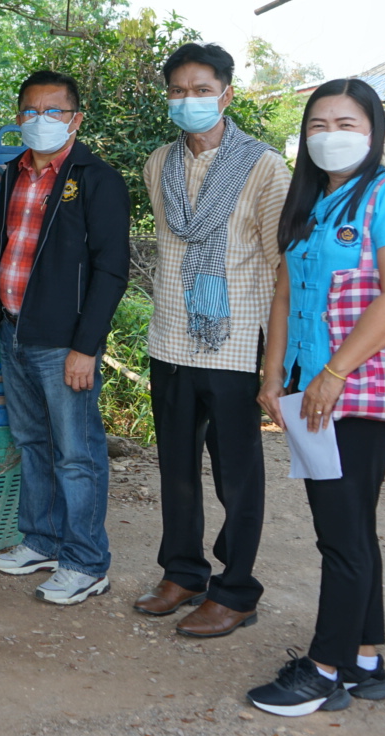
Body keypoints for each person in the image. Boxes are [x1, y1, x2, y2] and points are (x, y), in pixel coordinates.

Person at [246, 79, 385, 717]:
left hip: (355, 390)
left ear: (374, 130)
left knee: (340, 532)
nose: (331, 135)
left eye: (346, 123)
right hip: (306, 384)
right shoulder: (312, 202)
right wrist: (274, 375)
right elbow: (284, 288)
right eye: (318, 124)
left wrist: (332, 373)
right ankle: (366, 660)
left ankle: (323, 670)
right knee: (352, 523)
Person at [135, 44, 289, 639]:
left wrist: (280, 359)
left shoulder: (264, 167)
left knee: (237, 473)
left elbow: (283, 266)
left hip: (233, 345)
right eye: (178, 90)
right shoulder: (158, 164)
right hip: (169, 338)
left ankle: (237, 589)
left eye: (202, 89)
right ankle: (183, 572)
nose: (189, 100)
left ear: (227, 93)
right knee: (175, 467)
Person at [0, 69, 130, 606]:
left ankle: (87, 561)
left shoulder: (97, 179)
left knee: (77, 454)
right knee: (32, 444)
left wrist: (86, 347)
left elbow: (111, 269)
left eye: (53, 111)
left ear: (76, 119)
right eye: (30, 110)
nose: (40, 120)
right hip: (15, 329)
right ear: (19, 116)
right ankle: (42, 540)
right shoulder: (11, 175)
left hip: (64, 342)